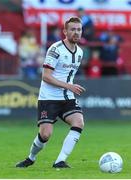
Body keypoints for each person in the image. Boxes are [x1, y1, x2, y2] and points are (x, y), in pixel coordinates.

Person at [16, 17, 86, 169]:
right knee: (45, 135)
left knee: (79, 122)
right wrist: (69, 86)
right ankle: (31, 157)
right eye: (73, 29)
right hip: (48, 98)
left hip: (67, 97)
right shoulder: (55, 49)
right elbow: (46, 76)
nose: (76, 32)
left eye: (79, 29)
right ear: (65, 31)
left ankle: (59, 161)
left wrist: (69, 88)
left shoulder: (80, 52)